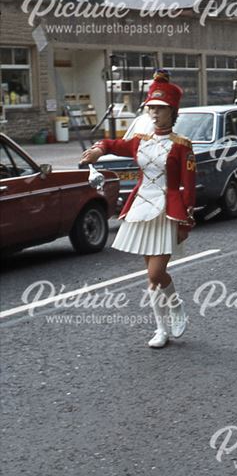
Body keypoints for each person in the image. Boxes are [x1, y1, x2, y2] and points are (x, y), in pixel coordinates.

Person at [81, 70, 195, 349]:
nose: (155, 113)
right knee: (150, 277)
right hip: (141, 208)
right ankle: (161, 329)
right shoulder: (139, 141)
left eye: (161, 109)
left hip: (167, 211)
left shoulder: (182, 146)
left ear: (173, 111)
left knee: (157, 273)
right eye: (151, 108)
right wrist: (97, 150)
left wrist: (187, 221)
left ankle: (176, 304)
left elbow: (189, 188)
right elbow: (110, 143)